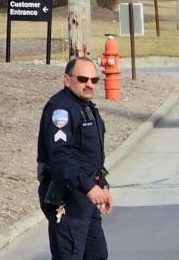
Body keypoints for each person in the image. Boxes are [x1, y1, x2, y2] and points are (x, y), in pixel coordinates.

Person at [37, 57, 112, 259]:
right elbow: (61, 158)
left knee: (97, 255)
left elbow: (88, 155)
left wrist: (101, 185)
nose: (89, 84)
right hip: (68, 197)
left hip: (86, 196)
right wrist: (89, 187)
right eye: (82, 78)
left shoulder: (85, 107)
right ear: (67, 80)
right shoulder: (61, 110)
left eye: (93, 80)